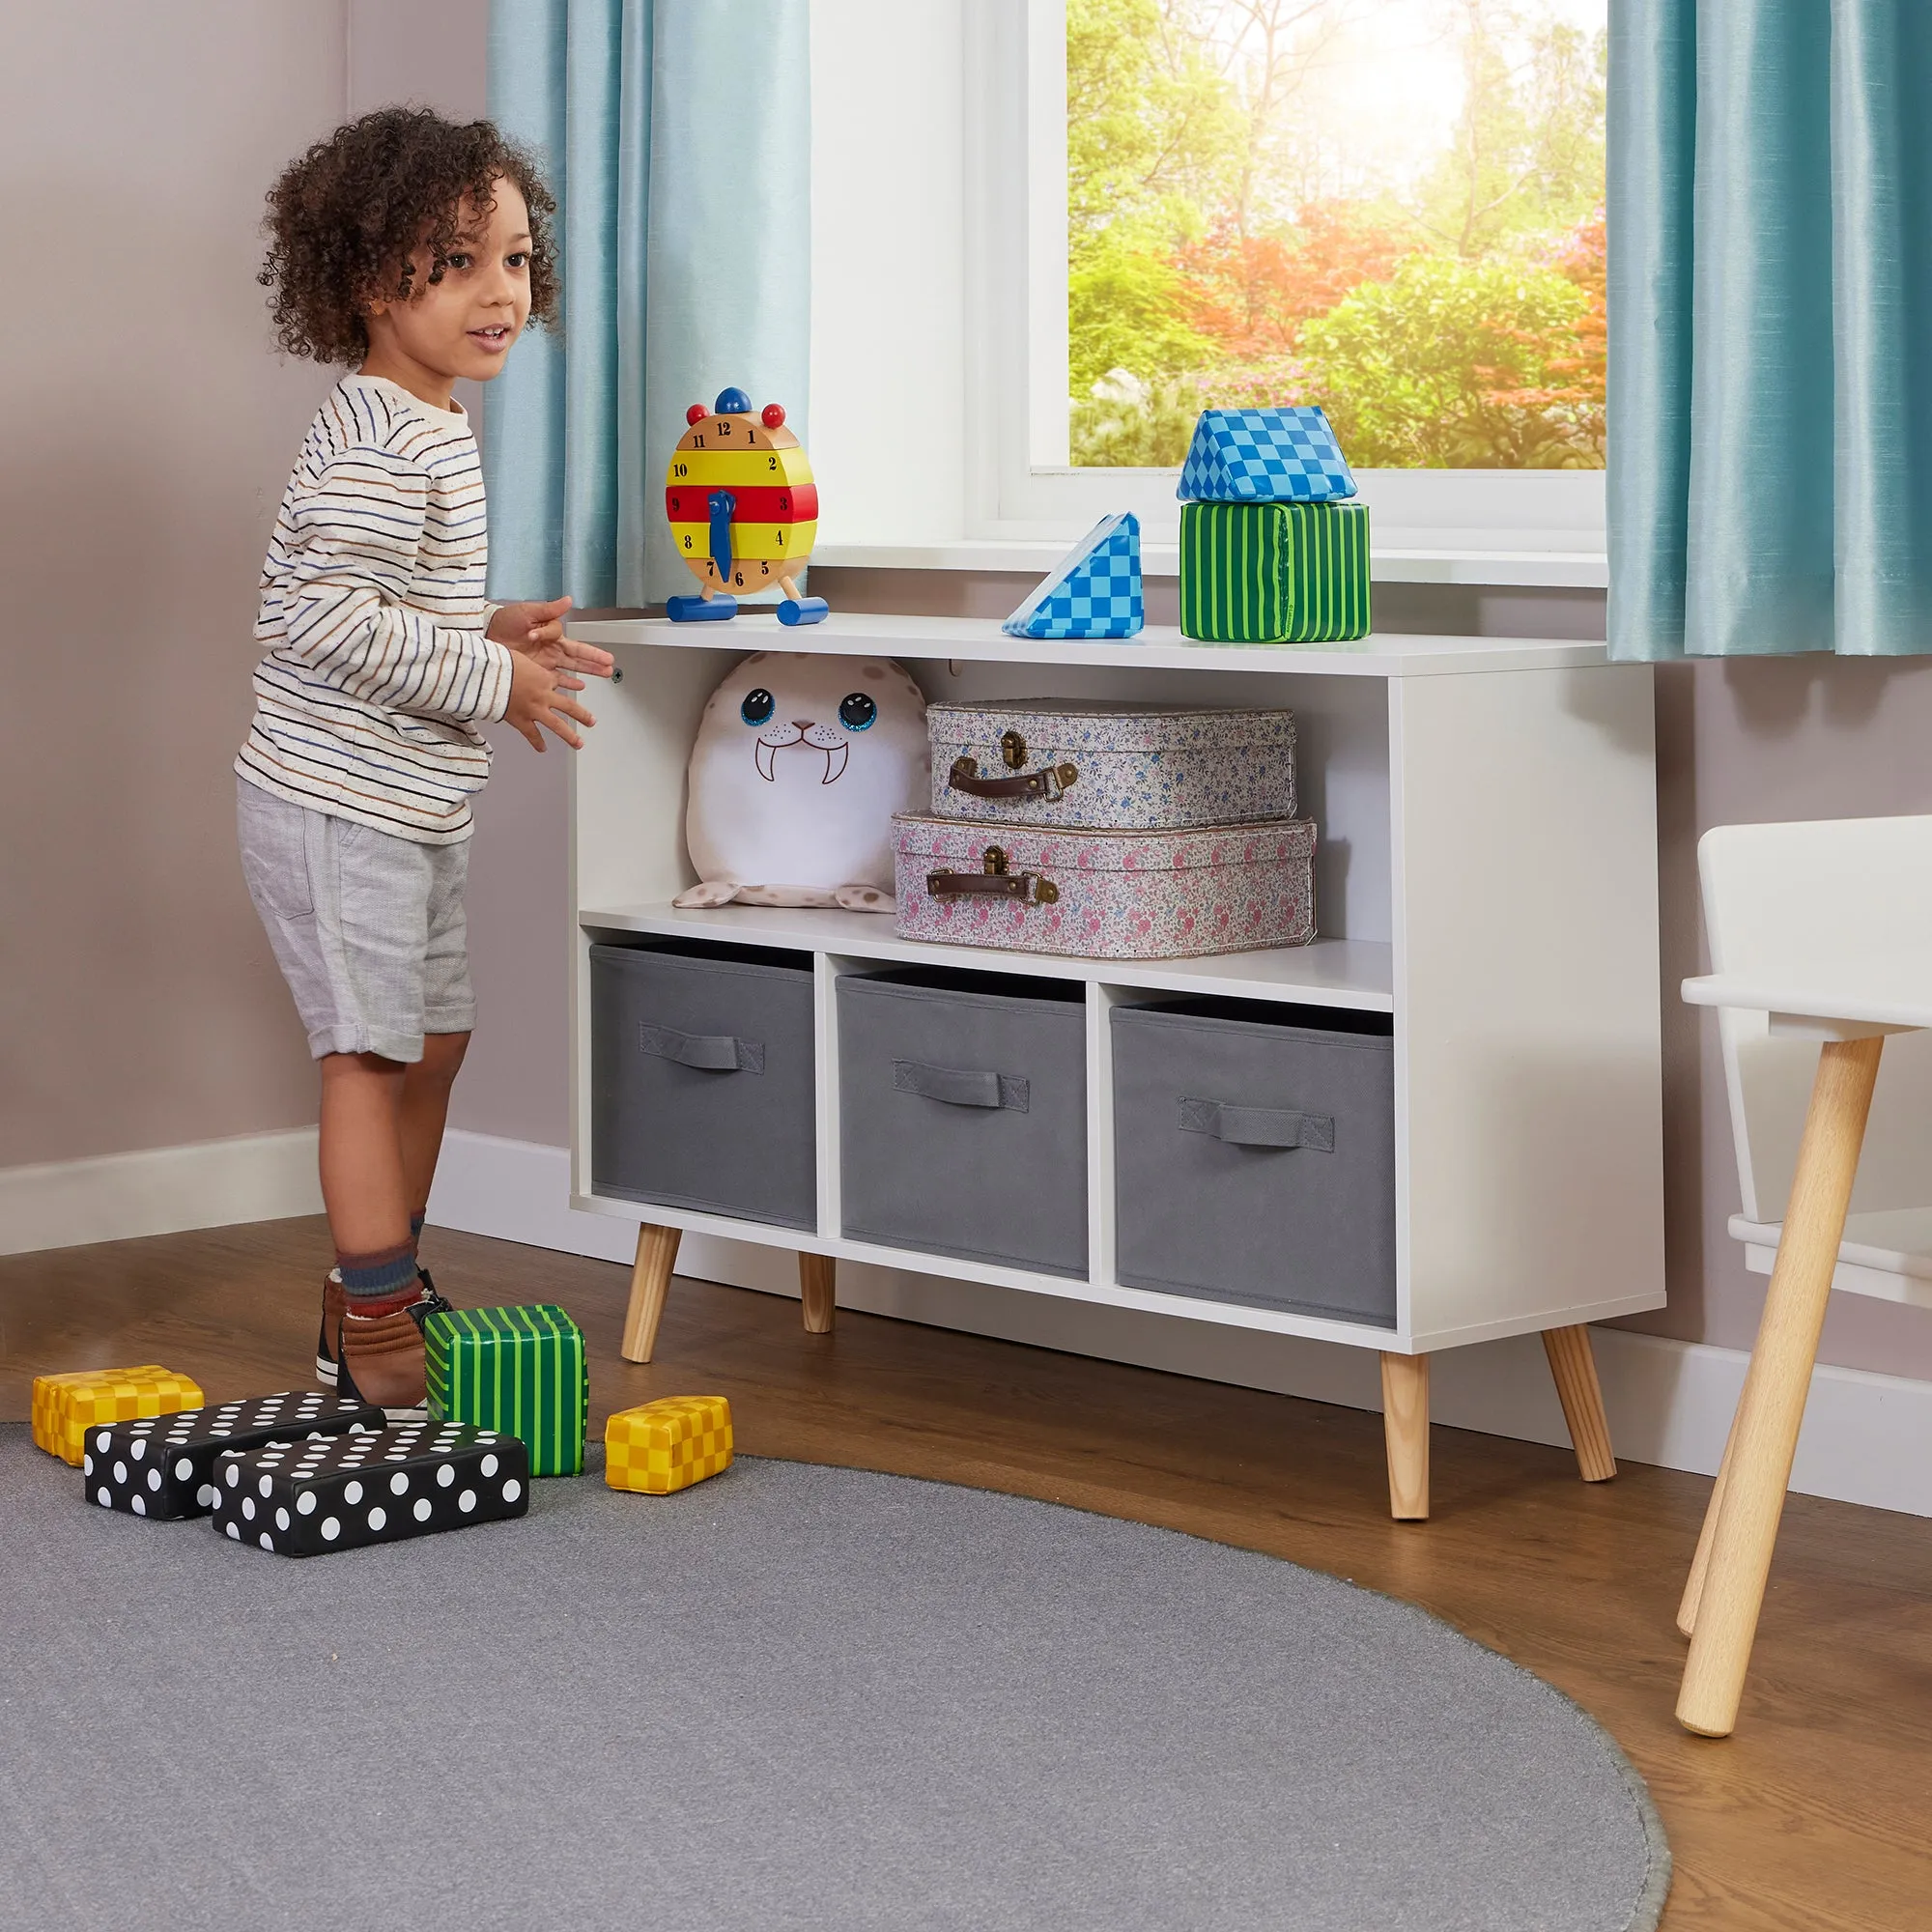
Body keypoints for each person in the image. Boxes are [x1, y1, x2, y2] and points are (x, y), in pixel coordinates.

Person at [236, 107, 612, 1414]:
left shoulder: (428, 416)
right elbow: (317, 618)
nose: (498, 290)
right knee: (370, 1054)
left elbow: (386, 603)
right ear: (365, 283)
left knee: (435, 1041)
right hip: (336, 801)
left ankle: (367, 1288)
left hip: (409, 798)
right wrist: (493, 675)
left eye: (513, 258)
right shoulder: (386, 432)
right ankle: (380, 1317)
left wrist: (487, 630)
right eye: (454, 264)